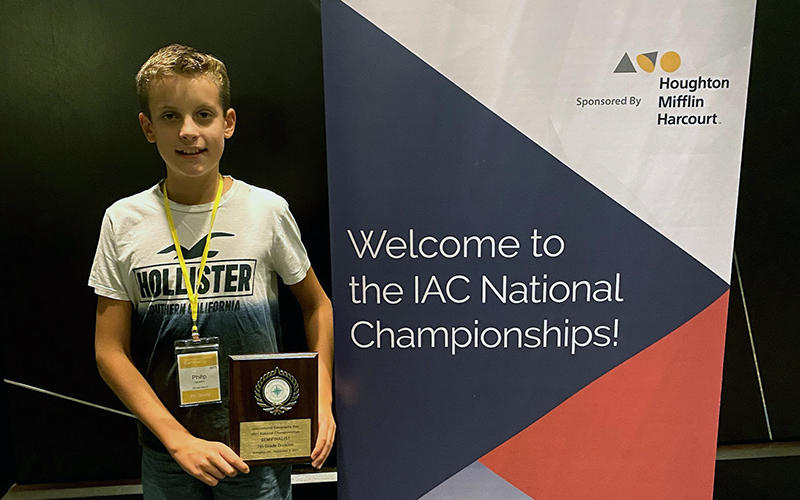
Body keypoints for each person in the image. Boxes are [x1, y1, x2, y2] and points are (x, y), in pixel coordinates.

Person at [89, 43, 335, 499]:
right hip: (169, 452)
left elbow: (317, 305)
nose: (188, 132)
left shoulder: (266, 210)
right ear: (147, 127)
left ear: (228, 122)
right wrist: (176, 438)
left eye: (203, 114)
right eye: (169, 116)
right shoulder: (123, 221)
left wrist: (321, 398)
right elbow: (109, 351)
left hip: (259, 443)